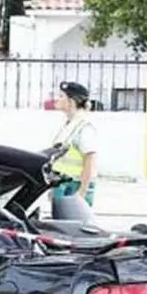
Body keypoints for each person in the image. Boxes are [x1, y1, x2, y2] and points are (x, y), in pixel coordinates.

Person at [49, 81, 99, 212]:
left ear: (71, 102)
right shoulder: (70, 123)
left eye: (61, 96)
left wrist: (82, 192)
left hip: (74, 187)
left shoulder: (84, 126)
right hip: (63, 185)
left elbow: (90, 158)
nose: (57, 99)